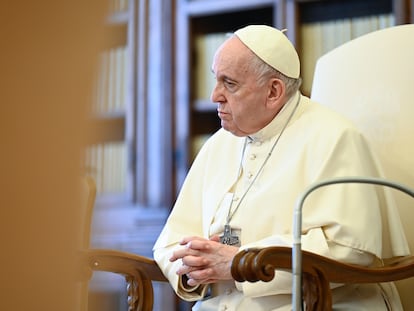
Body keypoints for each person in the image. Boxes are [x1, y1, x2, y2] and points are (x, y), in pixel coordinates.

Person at [153, 25, 409, 310]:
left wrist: (239, 263)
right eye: (216, 80)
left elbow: (351, 248)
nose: (215, 96)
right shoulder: (219, 145)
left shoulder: (334, 137)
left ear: (273, 91)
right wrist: (194, 268)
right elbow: (170, 242)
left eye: (230, 83)